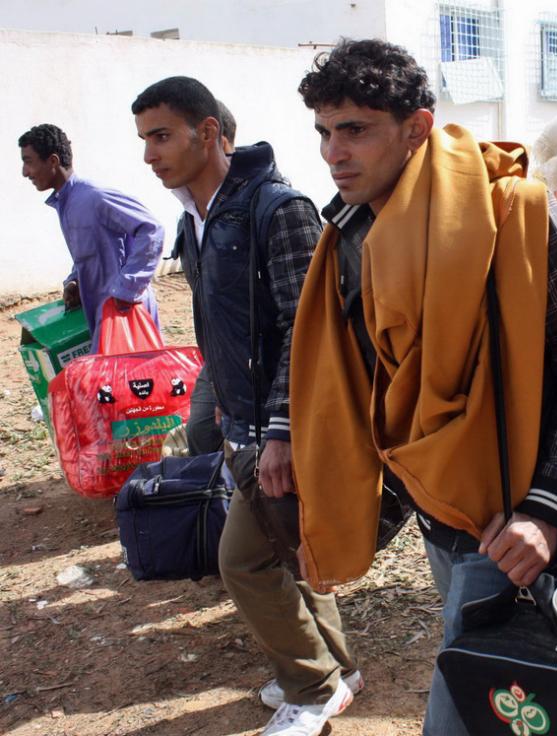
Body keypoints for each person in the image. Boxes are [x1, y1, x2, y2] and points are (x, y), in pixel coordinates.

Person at [289, 39, 557, 735]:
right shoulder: (349, 236)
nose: (333, 152)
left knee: (472, 710)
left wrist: (546, 511)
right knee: (517, 703)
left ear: (415, 128)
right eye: (324, 132)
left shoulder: (513, 212)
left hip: (516, 524)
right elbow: (373, 395)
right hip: (442, 515)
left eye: (355, 129)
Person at [132, 76, 362, 736]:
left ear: (208, 133)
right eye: (144, 139)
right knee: (294, 548)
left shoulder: (276, 208)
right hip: (239, 423)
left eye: (161, 136)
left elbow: (308, 327)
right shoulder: (196, 219)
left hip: (282, 430)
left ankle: (313, 689)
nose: (150, 154)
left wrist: (282, 430)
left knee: (243, 561)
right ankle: (338, 672)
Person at [19, 123, 163, 352]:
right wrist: (75, 280)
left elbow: (151, 229)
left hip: (126, 312)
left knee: (138, 384)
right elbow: (91, 252)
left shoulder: (94, 197)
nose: (25, 172)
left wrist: (127, 288)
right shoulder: (66, 202)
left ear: (53, 161)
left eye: (28, 161)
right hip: (103, 311)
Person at [184, 99, 237, 457]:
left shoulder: (266, 208)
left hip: (253, 364)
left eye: (163, 137)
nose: (150, 155)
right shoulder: (189, 216)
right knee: (202, 433)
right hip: (217, 354)